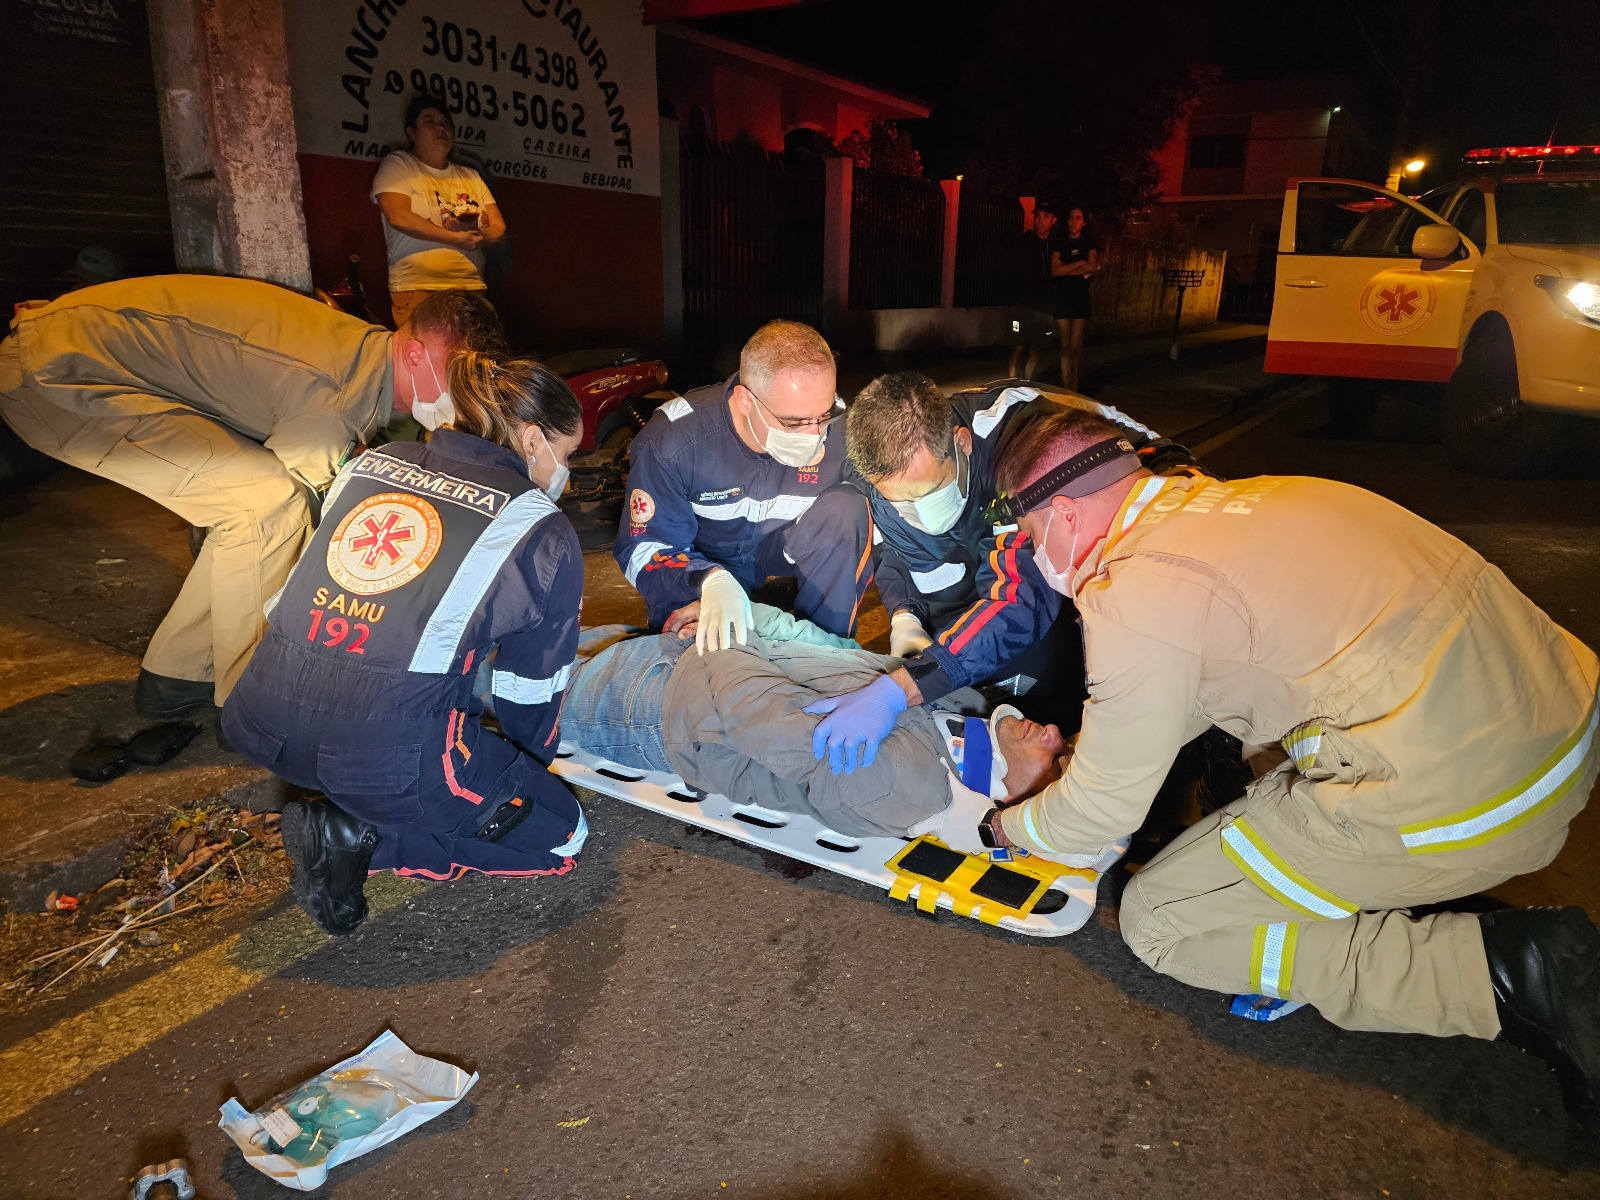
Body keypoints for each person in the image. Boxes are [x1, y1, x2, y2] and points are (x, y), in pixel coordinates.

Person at [910, 405, 1600, 1133]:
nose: (1036, 558)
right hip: (1559, 720)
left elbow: (1097, 818)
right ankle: (1354, 885)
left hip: (1481, 797)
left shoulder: (1137, 588)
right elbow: (1190, 692)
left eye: (1031, 537)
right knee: (1261, 759)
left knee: (1160, 922)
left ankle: (1516, 973)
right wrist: (1080, 759)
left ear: (1068, 519)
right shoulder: (1252, 497)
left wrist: (1006, 825)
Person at [0, 275, 504, 719]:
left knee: (258, 507)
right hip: (59, 372)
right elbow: (325, 522)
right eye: (456, 373)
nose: (462, 393)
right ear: (415, 354)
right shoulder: (330, 395)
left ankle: (178, 676)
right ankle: (250, 703)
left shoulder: (365, 355)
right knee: (269, 508)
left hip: (84, 352)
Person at [221, 355, 588, 935]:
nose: (565, 470)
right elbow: (529, 687)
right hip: (386, 760)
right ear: (534, 440)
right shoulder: (539, 527)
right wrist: (523, 773)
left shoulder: (372, 465)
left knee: (413, 729)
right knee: (563, 834)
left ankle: (356, 805)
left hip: (258, 719)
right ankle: (369, 840)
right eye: (567, 454)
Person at [559, 608, 1068, 839]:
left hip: (659, 707)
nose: (1052, 733)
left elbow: (760, 716)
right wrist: (747, 614)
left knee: (500, 674)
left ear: (1016, 802)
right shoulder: (964, 711)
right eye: (1066, 740)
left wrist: (728, 631)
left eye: (1056, 762)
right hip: (687, 661)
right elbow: (839, 654)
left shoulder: (906, 786)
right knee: (527, 630)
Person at [614, 320, 874, 647]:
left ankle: (828, 652)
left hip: (778, 552)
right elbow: (643, 547)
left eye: (823, 415)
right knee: (699, 664)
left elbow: (893, 519)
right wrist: (707, 580)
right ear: (745, 401)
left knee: (850, 507)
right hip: (699, 560)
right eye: (795, 422)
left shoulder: (841, 436)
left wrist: (908, 612)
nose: (815, 435)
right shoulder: (675, 443)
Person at [373, 93, 508, 330]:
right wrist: (455, 238)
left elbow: (498, 229)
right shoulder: (400, 165)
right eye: (429, 121)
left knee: (472, 360)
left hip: (471, 288)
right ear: (412, 132)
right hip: (419, 287)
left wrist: (476, 237)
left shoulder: (470, 176)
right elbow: (398, 216)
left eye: (445, 122)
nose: (440, 127)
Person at [1007, 202, 1059, 382]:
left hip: (1045, 307)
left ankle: (1026, 385)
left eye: (1045, 216)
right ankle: (1012, 387)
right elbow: (1012, 271)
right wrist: (1012, 302)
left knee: (1036, 347)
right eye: (1037, 216)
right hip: (1023, 304)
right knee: (1019, 346)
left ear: (1053, 220)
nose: (1040, 221)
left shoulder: (1055, 245)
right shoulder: (1024, 241)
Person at [1051, 207, 1099, 391]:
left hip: (1080, 298)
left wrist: (1067, 268)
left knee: (1075, 346)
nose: (1074, 221)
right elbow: (1055, 271)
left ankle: (1074, 387)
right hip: (1062, 298)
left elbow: (1093, 266)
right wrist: (1080, 263)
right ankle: (1065, 387)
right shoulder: (1060, 242)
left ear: (1084, 222)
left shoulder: (1089, 242)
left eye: (1078, 218)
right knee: (1064, 346)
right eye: (1071, 217)